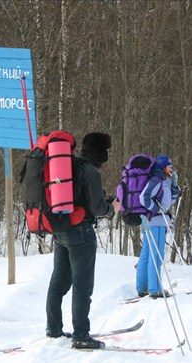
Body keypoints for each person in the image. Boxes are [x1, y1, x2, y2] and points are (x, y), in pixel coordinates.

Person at [45, 132, 121, 350]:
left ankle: (54, 328)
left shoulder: (69, 164)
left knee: (58, 282)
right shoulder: (91, 171)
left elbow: (80, 198)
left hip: (61, 230)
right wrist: (112, 208)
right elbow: (97, 208)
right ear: (100, 151)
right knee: (82, 285)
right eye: (106, 150)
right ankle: (81, 335)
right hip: (81, 233)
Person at [135, 155, 180, 299]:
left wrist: (174, 186)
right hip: (155, 221)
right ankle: (154, 289)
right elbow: (144, 197)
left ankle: (142, 287)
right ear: (162, 167)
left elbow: (169, 201)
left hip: (157, 220)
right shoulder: (156, 180)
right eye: (169, 166)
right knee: (156, 255)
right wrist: (156, 208)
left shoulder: (164, 180)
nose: (171, 169)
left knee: (147, 253)